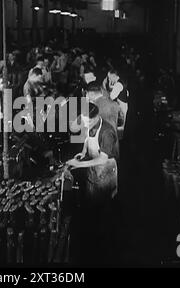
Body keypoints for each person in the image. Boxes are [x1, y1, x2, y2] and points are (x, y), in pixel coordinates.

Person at [66, 102, 118, 264]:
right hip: (93, 171)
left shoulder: (107, 131)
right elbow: (87, 140)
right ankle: (92, 239)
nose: (86, 124)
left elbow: (103, 158)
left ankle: (104, 252)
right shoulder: (90, 124)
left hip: (105, 172)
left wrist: (79, 165)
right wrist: (81, 154)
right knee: (92, 206)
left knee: (104, 210)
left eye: (89, 121)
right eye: (84, 120)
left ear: (96, 117)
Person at [102, 69, 129, 133]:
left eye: (109, 77)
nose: (109, 79)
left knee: (122, 126)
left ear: (114, 76)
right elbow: (112, 87)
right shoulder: (121, 81)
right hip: (124, 104)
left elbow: (111, 97)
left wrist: (104, 86)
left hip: (122, 106)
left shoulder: (118, 85)